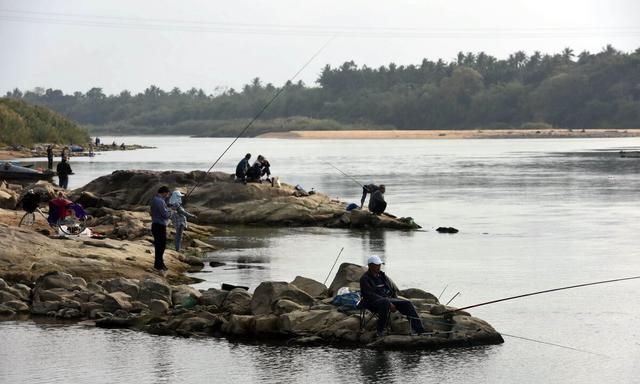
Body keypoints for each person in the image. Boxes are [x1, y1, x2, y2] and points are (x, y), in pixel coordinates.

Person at [359, 255, 425, 337]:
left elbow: (391, 289)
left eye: (379, 265)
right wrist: (388, 302)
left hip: (388, 299)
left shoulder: (382, 276)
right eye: (376, 265)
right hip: (371, 302)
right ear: (370, 265)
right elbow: (369, 295)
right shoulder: (364, 279)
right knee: (385, 302)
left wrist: (394, 299)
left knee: (407, 303)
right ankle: (380, 330)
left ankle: (420, 330)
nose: (379, 267)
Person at [150, 186, 171, 271]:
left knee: (159, 246)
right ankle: (158, 265)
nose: (167, 195)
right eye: (167, 193)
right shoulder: (159, 201)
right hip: (159, 226)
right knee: (161, 246)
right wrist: (171, 212)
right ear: (164, 192)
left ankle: (160, 264)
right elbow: (165, 215)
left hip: (156, 225)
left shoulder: (155, 200)